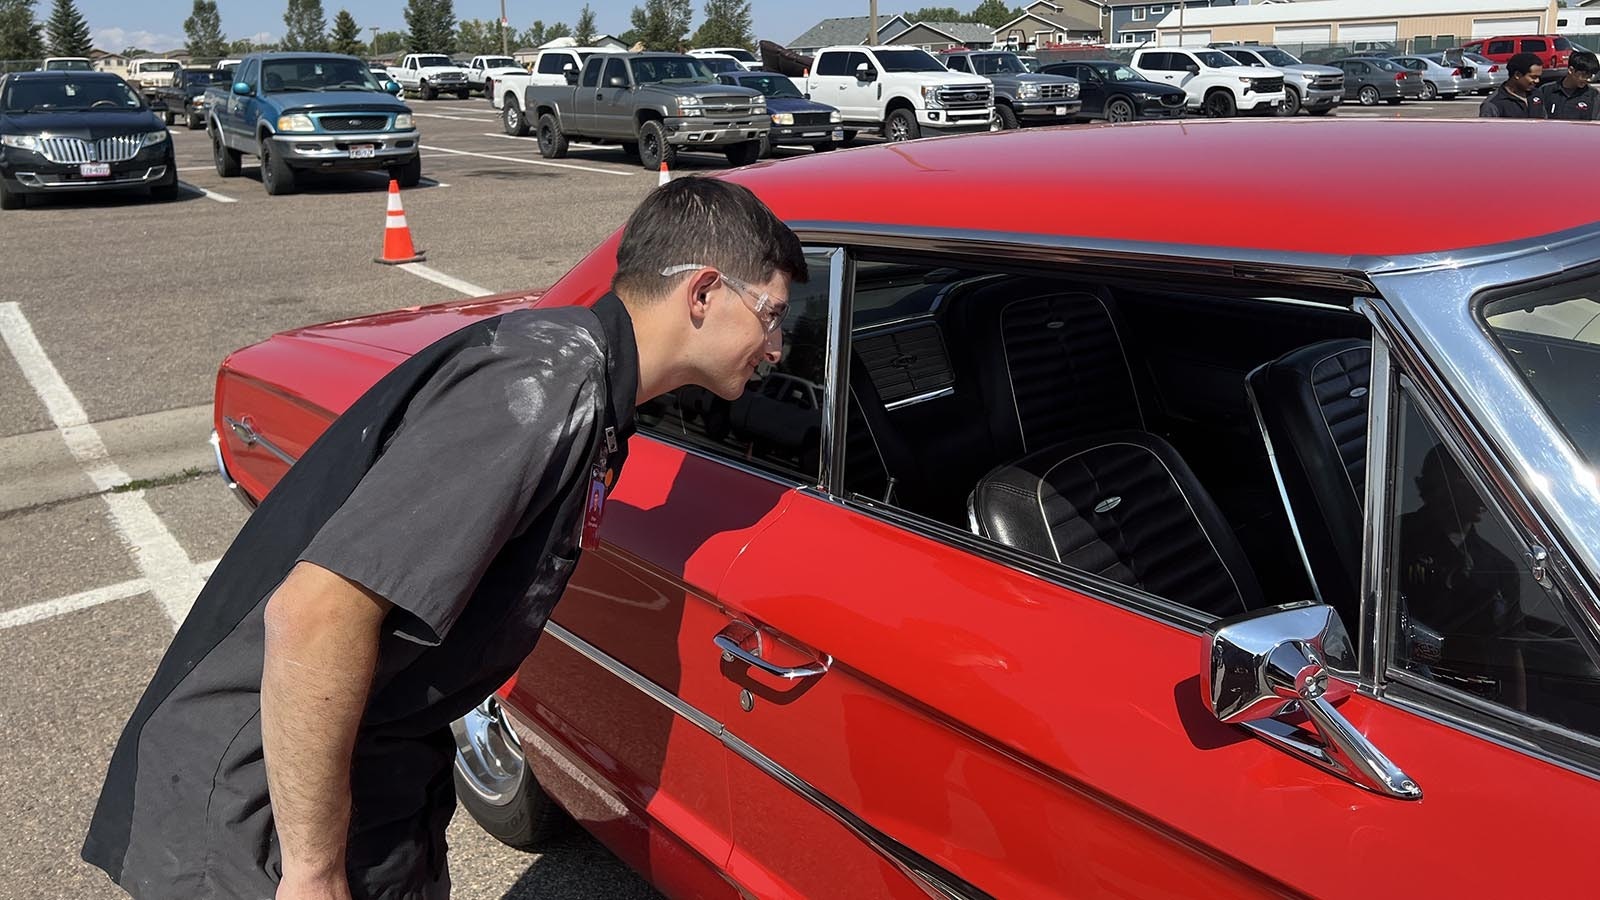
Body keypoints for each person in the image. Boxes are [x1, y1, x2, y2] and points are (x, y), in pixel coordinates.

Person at [81, 177, 807, 900]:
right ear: (703, 293)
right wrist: (312, 871)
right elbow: (312, 617)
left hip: (372, 773)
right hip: (265, 804)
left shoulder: (588, 384)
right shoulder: (544, 388)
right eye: (770, 314)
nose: (776, 347)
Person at [1536, 49, 1599, 121]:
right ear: (1571, 70)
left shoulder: (1593, 95)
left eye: (1590, 76)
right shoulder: (1546, 91)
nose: (1587, 79)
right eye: (1584, 75)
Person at [1479, 52, 1547, 118]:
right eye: (1533, 77)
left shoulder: (1536, 94)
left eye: (1539, 77)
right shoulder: (1493, 104)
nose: (1537, 81)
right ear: (1517, 75)